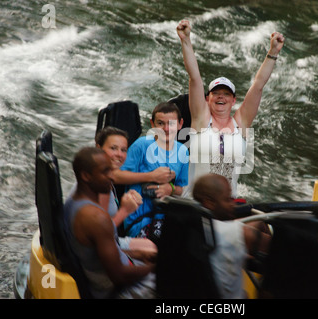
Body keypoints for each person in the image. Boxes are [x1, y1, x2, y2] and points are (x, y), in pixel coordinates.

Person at [177, 19, 285, 197]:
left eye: (226, 94)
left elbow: (258, 85)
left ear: (233, 100)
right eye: (216, 93)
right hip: (194, 204)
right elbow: (194, 78)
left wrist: (273, 52)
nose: (221, 96)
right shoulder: (201, 120)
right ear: (207, 98)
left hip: (227, 205)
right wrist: (185, 40)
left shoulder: (240, 124)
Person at [64, 147, 156, 299]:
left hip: (117, 272)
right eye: (105, 172)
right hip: (114, 291)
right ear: (86, 176)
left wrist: (136, 254)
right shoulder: (96, 218)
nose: (112, 176)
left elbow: (95, 256)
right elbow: (119, 276)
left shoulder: (73, 201)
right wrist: (154, 268)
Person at [192, 173, 271, 298]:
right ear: (209, 203)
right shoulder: (239, 233)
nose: (233, 204)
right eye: (227, 199)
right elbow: (280, 250)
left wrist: (259, 223)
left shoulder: (187, 226)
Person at [119, 102, 189, 238]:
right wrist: (151, 176)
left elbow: (181, 189)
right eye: (160, 123)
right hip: (139, 219)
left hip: (167, 218)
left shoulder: (183, 150)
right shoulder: (141, 145)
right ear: (152, 124)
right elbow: (118, 176)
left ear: (180, 124)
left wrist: (171, 189)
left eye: (171, 124)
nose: (166, 129)